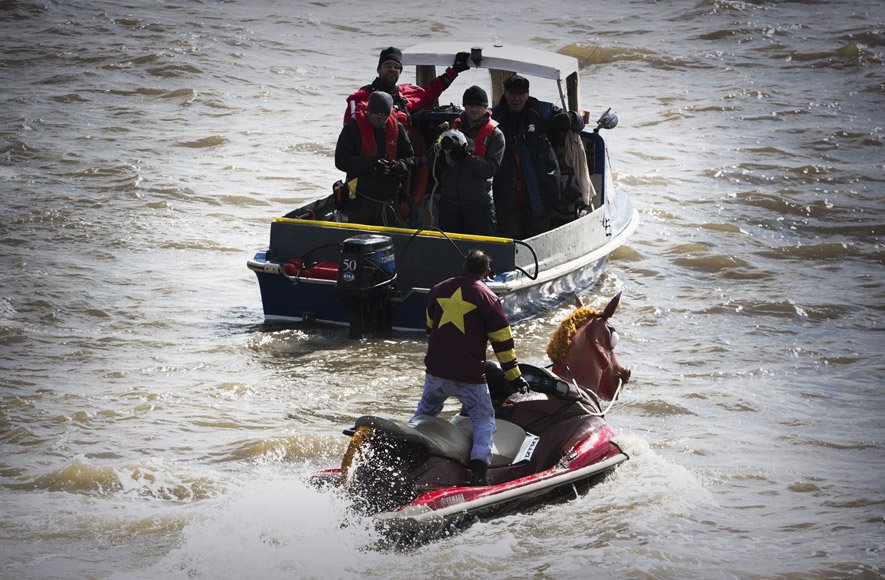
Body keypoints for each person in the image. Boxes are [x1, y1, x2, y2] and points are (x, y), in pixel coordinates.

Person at [411, 249, 529, 486]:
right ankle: (478, 471)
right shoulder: (488, 297)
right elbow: (503, 343)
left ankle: (409, 450)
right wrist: (514, 376)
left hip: (436, 371)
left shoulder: (438, 289)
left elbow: (429, 329)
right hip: (469, 376)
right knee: (484, 419)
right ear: (486, 272)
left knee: (424, 413)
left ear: (464, 266)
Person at [491, 74, 585, 239]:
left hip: (540, 187)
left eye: (521, 94)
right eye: (512, 94)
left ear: (527, 94)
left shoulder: (542, 110)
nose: (516, 99)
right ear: (505, 94)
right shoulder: (493, 117)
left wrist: (570, 117)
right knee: (508, 233)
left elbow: (579, 122)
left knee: (538, 233)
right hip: (506, 188)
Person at [334, 91, 416, 226]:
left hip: (388, 202)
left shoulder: (398, 129)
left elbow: (410, 159)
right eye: (376, 115)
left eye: (384, 116)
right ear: (368, 111)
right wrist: (372, 164)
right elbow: (341, 161)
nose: (380, 119)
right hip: (359, 201)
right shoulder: (352, 130)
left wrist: (396, 166)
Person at [433, 86, 504, 236]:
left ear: (486, 108)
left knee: (482, 252)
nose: (474, 109)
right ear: (464, 106)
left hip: (478, 204)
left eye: (478, 106)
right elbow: (433, 159)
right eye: (470, 105)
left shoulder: (495, 134)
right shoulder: (452, 128)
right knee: (448, 251)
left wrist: (465, 156)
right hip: (449, 202)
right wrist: (439, 148)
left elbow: (489, 170)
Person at [344, 46, 471, 127]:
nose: (392, 69)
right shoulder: (360, 98)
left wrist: (455, 70)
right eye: (387, 65)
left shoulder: (406, 94)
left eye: (396, 66)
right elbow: (348, 136)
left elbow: (432, 91)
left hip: (403, 159)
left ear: (400, 71)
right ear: (378, 69)